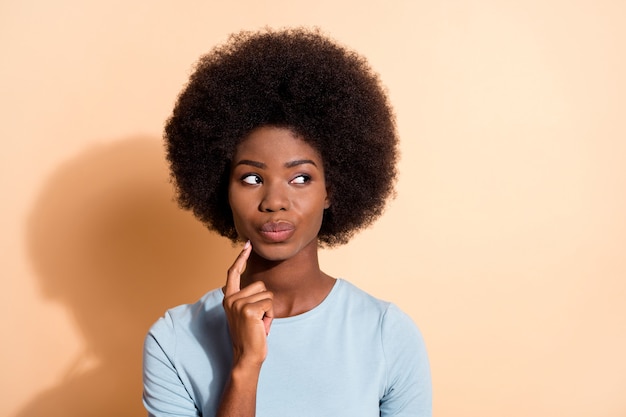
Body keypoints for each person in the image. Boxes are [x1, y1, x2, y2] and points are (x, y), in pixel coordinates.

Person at [143, 27, 432, 417]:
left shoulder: (385, 333)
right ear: (220, 187)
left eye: (300, 178)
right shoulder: (175, 340)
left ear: (332, 189)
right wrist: (246, 366)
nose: (274, 201)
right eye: (251, 178)